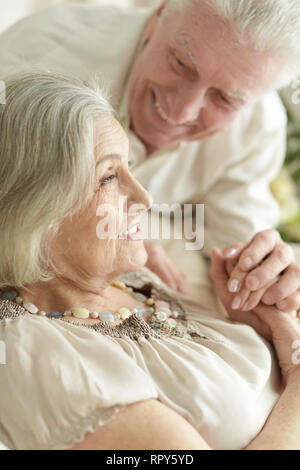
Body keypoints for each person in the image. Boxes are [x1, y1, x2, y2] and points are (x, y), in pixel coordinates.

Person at [0, 71, 300, 450]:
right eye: (109, 177)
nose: (144, 198)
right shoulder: (37, 352)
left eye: (131, 170)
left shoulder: (131, 280)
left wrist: (256, 317)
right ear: (37, 211)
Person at [0, 0, 300, 310]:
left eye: (224, 99)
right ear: (158, 17)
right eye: (181, 63)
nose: (181, 111)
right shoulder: (37, 62)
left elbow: (237, 247)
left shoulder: (258, 126)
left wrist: (261, 271)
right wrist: (105, 242)